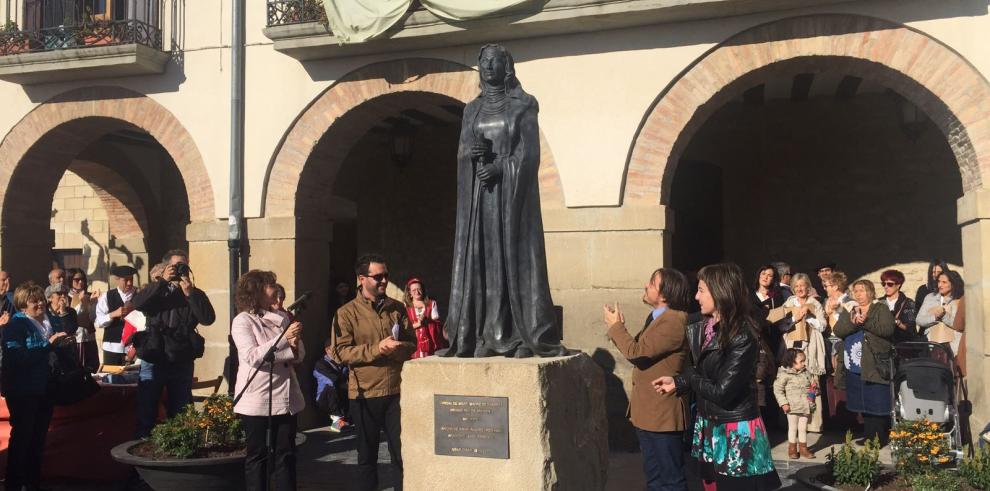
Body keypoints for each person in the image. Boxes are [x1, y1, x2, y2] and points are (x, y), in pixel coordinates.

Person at [444, 44, 566, 358]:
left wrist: (501, 166)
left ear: (506, 67)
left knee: (516, 261)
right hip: (481, 202)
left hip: (513, 202)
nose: (488, 67)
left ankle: (524, 336)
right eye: (483, 62)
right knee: (486, 263)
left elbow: (529, 155)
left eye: (494, 61)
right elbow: (462, 151)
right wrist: (469, 158)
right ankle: (489, 336)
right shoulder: (472, 109)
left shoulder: (524, 105)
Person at [653, 263, 780, 491]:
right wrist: (678, 381)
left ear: (720, 292)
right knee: (711, 486)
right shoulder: (703, 326)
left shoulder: (742, 335)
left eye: (701, 290)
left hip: (735, 429)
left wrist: (689, 377)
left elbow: (723, 392)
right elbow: (703, 372)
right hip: (709, 422)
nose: (696, 296)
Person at [332, 254, 415, 491]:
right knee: (367, 458)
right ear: (361, 279)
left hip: (396, 391)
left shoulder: (396, 308)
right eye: (377, 276)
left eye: (386, 276)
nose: (384, 281)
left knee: (401, 455)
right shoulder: (346, 313)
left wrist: (398, 350)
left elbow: (412, 344)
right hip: (364, 394)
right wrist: (377, 349)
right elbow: (340, 353)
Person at [604, 267, 691, 491]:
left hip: (662, 415)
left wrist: (616, 327)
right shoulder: (657, 319)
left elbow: (637, 353)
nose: (646, 286)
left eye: (652, 283)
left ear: (664, 294)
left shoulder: (673, 321)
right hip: (649, 414)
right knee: (654, 478)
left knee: (670, 479)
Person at [232, 270, 305, 491]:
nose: (276, 288)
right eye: (270, 284)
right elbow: (252, 356)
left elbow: (300, 355)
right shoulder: (243, 321)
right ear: (256, 291)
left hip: (286, 399)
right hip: (258, 400)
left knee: (286, 455)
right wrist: (285, 339)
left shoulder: (283, 317)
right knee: (258, 457)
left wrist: (293, 342)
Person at [132, 249, 216, 438]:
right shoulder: (156, 291)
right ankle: (142, 448)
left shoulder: (194, 293)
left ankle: (178, 449)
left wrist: (191, 294)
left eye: (183, 266)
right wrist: (162, 282)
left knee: (180, 410)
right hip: (155, 354)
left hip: (181, 357)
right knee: (146, 408)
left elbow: (208, 319)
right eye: (175, 266)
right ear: (165, 267)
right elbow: (137, 304)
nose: (179, 270)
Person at [1, 282, 69, 491]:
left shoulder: (48, 322)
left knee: (38, 438)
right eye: (34, 301)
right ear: (23, 306)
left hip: (44, 388)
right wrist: (48, 345)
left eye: (41, 299)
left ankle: (32, 483)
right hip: (23, 390)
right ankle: (14, 483)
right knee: (23, 438)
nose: (40, 303)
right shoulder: (16, 325)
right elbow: (17, 357)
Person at [833, 279, 895, 446]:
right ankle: (869, 436)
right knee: (864, 401)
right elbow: (838, 330)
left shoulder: (880, 308)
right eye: (856, 291)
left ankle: (879, 437)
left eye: (862, 290)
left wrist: (866, 322)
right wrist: (853, 323)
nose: (858, 294)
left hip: (874, 362)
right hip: (855, 364)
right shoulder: (851, 310)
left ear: (871, 292)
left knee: (876, 399)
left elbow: (887, 329)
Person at [779, 273, 827, 432]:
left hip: (810, 347)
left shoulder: (815, 303)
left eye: (802, 285)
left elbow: (822, 325)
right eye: (797, 286)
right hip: (793, 346)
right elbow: (782, 325)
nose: (800, 289)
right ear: (793, 288)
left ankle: (813, 424)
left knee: (811, 383)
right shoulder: (789, 303)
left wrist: (808, 318)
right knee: (792, 384)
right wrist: (795, 318)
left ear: (808, 287)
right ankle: (794, 423)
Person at [917, 270, 966, 371]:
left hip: (953, 348)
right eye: (939, 281)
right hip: (932, 346)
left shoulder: (960, 300)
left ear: (953, 284)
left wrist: (943, 315)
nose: (940, 285)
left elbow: (959, 325)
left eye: (944, 282)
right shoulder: (930, 297)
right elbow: (919, 320)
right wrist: (934, 317)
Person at [774, 348, 818, 459]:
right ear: (791, 361)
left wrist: (814, 389)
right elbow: (778, 389)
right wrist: (783, 403)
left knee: (803, 429)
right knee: (793, 428)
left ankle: (803, 449)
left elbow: (812, 385)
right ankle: (792, 449)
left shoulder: (806, 373)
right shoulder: (784, 374)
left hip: (805, 406)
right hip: (792, 407)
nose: (804, 363)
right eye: (801, 361)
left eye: (804, 361)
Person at [95, 265, 138, 365]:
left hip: (134, 347)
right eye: (126, 280)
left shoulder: (139, 294)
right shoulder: (107, 296)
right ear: (117, 279)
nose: (129, 283)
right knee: (111, 377)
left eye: (131, 279)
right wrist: (113, 314)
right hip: (112, 346)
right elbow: (98, 322)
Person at [314, 338, 351, 433]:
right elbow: (334, 380)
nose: (339, 351)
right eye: (335, 348)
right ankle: (337, 422)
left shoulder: (343, 363)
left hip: (341, 398)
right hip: (325, 399)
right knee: (331, 387)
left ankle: (344, 420)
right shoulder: (321, 364)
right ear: (328, 350)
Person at [403, 278, 446, 359]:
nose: (417, 292)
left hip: (430, 341)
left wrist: (427, 321)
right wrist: (418, 324)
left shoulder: (431, 304)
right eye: (414, 290)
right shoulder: (406, 307)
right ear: (410, 293)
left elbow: (437, 323)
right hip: (414, 342)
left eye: (419, 289)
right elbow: (405, 328)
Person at [67, 268, 100, 372]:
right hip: (77, 338)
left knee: (93, 367)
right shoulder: (67, 297)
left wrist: (93, 303)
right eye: (77, 280)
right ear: (70, 280)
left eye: (83, 279)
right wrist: (81, 303)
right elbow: (72, 316)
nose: (80, 282)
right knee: (80, 368)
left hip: (89, 336)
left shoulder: (89, 295)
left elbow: (94, 317)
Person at [879, 269, 919, 344]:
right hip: (883, 345)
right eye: (883, 284)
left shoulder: (909, 303)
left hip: (902, 346)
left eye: (890, 284)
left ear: (898, 285)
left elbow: (911, 328)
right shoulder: (878, 302)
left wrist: (899, 323)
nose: (886, 287)